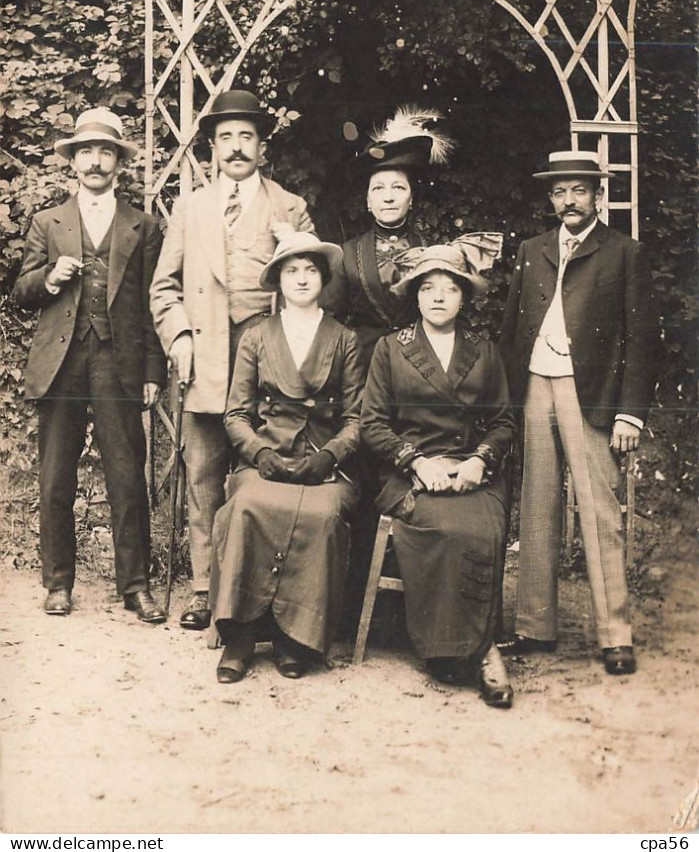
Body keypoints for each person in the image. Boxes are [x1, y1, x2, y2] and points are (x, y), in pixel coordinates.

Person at [149, 90, 314, 630]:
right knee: (203, 475)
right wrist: (177, 337)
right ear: (212, 149)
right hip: (206, 360)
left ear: (262, 148)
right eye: (226, 138)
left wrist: (295, 241)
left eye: (246, 137)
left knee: (267, 477)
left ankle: (265, 597)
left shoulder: (290, 206)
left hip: (269, 364)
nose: (236, 147)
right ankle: (203, 588)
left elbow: (316, 285)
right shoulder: (190, 207)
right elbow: (163, 287)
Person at [498, 151, 662, 675]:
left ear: (597, 195)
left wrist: (629, 415)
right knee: (537, 503)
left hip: (590, 392)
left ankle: (615, 635)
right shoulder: (532, 250)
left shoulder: (624, 253)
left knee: (598, 509)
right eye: (560, 192)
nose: (568, 201)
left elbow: (642, 339)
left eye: (579, 191)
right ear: (551, 198)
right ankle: (534, 626)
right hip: (534, 386)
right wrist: (504, 400)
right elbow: (510, 330)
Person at [14, 108, 167, 622]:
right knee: (56, 478)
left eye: (105, 152)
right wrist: (50, 278)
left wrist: (152, 371)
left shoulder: (142, 225)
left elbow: (151, 303)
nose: (95, 161)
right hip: (61, 363)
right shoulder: (47, 222)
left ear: (119, 162)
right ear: (73, 162)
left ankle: (136, 586)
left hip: (119, 363)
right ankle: (58, 583)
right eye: (86, 151)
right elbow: (21, 290)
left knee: (127, 476)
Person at [360, 243, 516, 707]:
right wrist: (415, 462)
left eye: (450, 288)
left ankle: (473, 646)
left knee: (483, 526)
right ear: (416, 296)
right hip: (409, 472)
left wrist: (480, 460)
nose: (439, 297)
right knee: (445, 527)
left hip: (471, 471)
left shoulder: (483, 352)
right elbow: (371, 422)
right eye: (428, 288)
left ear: (464, 298)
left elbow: (505, 421)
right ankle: (467, 649)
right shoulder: (392, 348)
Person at [208, 232, 364, 682]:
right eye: (291, 270)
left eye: (310, 270)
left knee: (325, 515)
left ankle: (294, 639)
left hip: (322, 463)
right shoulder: (256, 335)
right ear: (277, 280)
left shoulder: (344, 338)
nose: (301, 278)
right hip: (267, 459)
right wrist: (258, 452)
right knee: (247, 506)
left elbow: (356, 418)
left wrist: (331, 455)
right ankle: (240, 634)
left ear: (324, 278)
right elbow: (235, 413)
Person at [324, 107, 453, 369]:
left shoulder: (431, 252)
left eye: (398, 187)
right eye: (378, 189)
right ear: (368, 201)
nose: (389, 197)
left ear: (411, 198)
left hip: (421, 368)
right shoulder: (346, 255)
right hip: (364, 368)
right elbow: (332, 324)